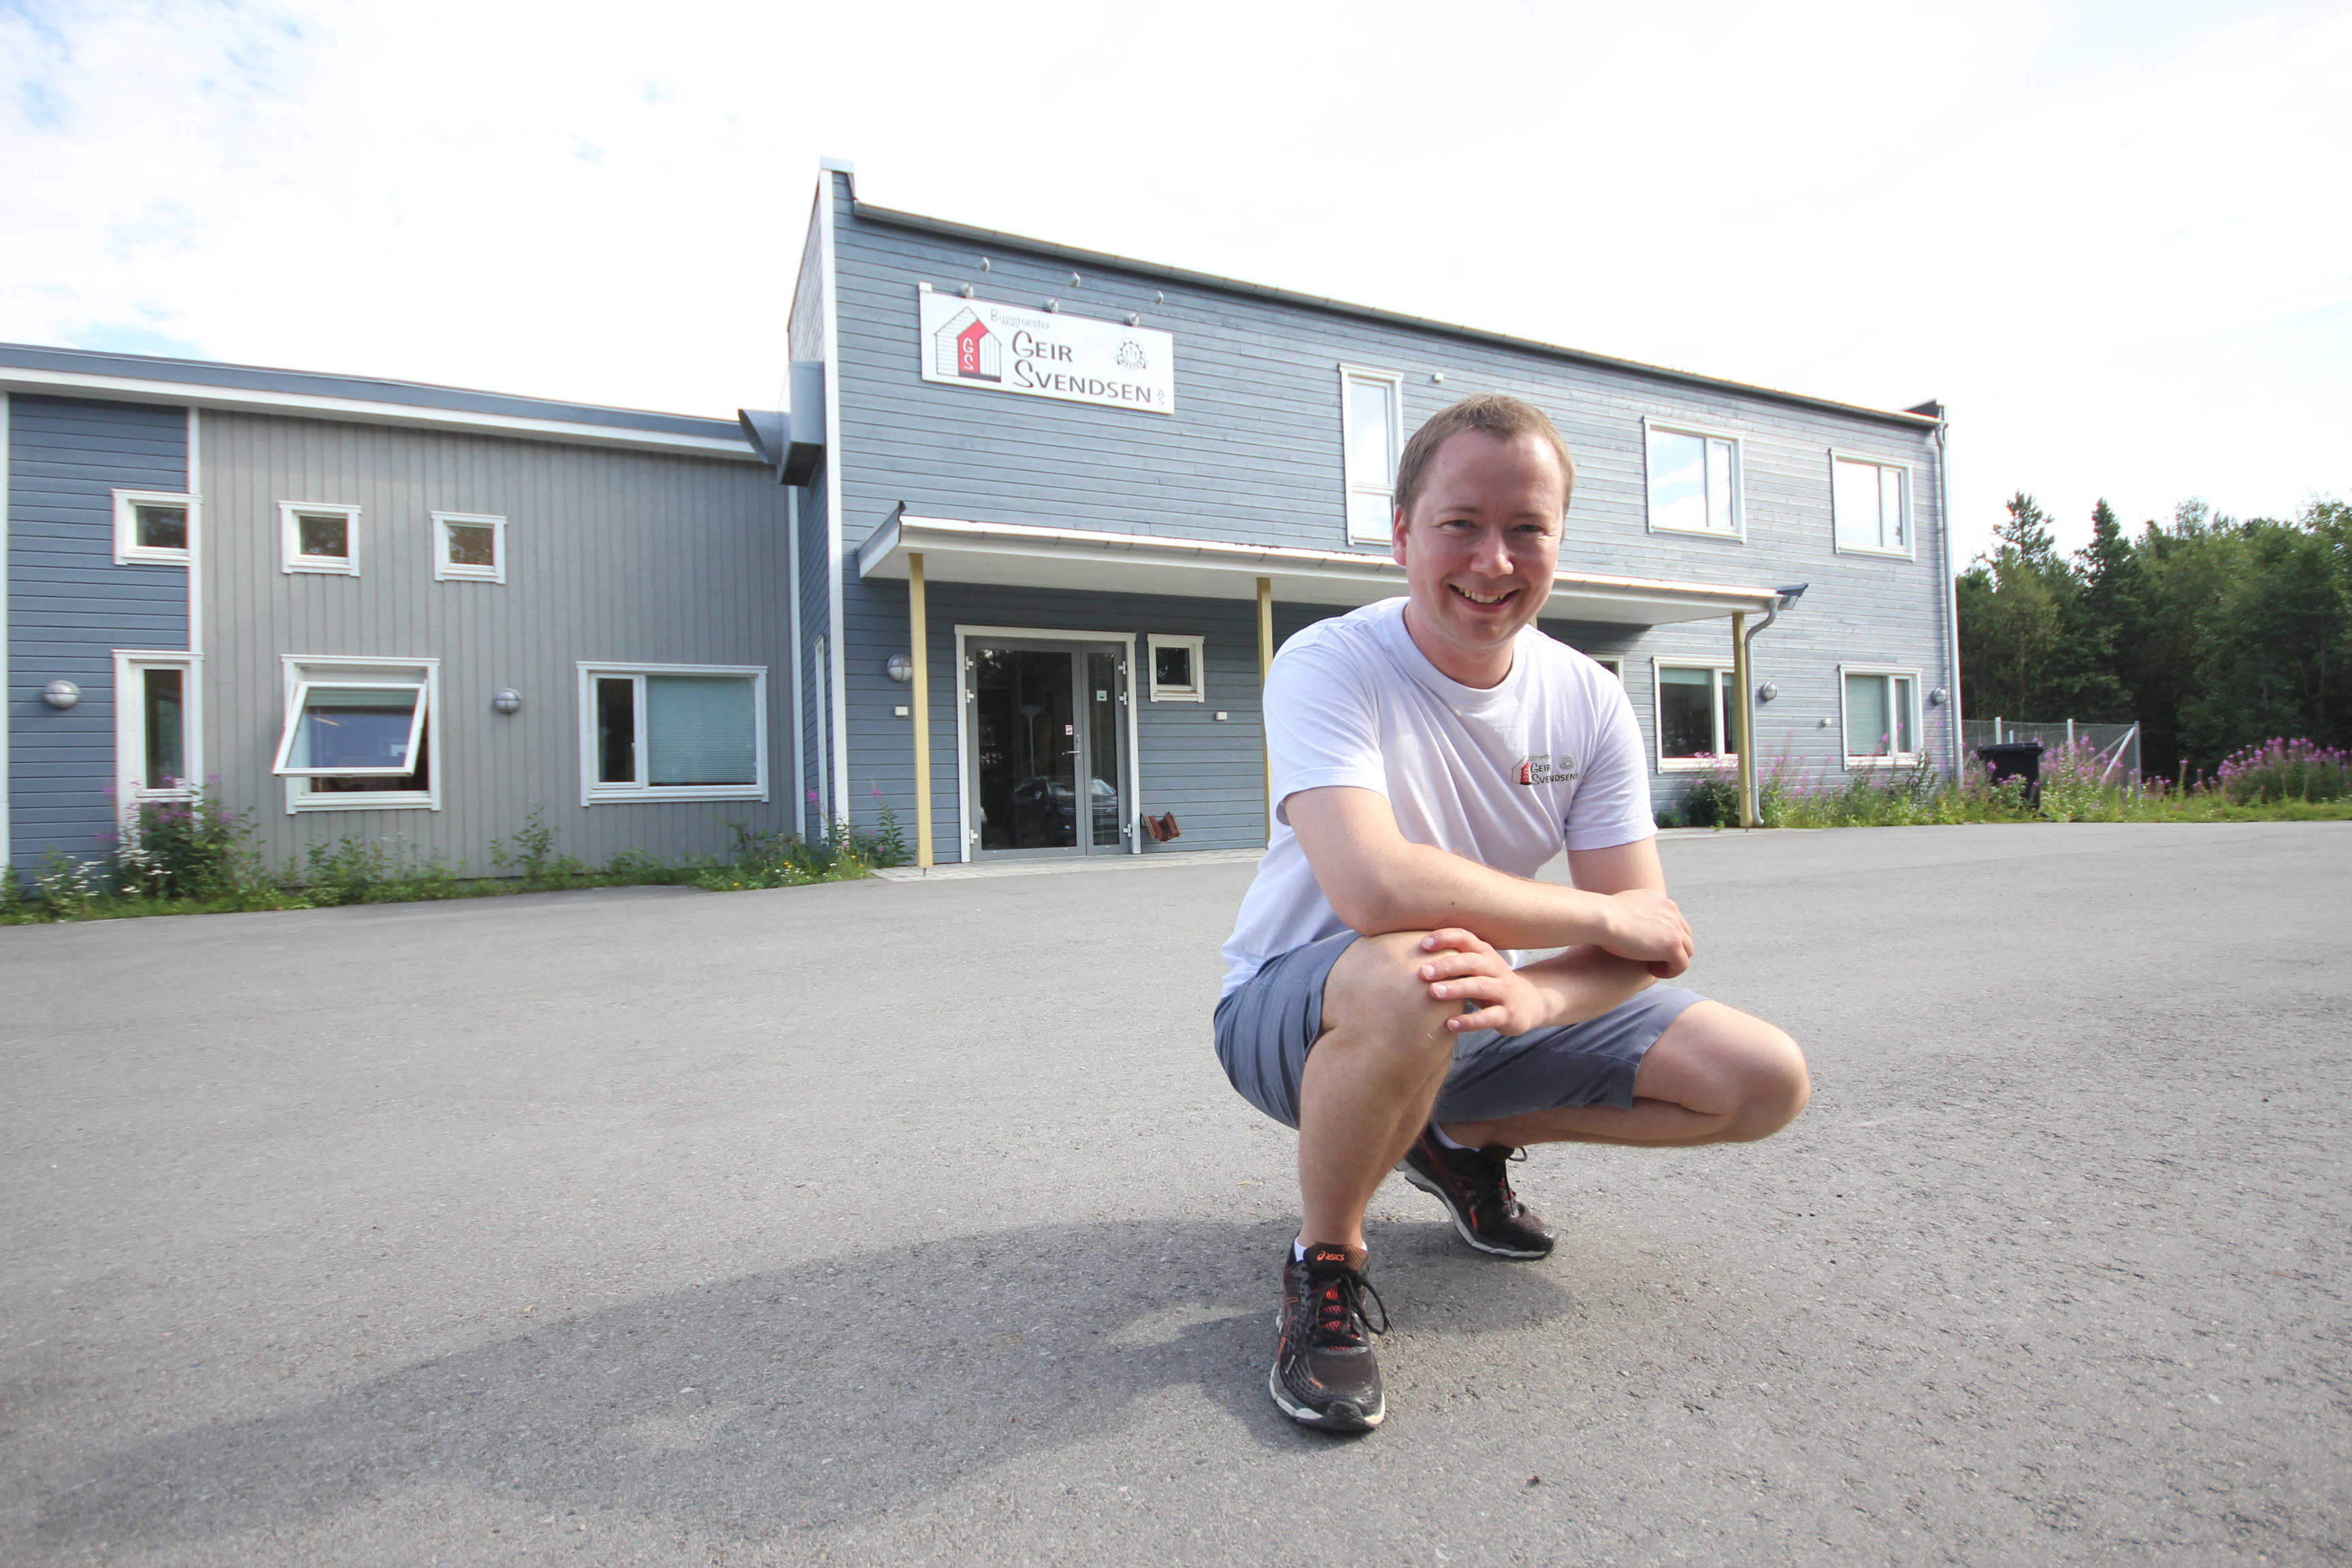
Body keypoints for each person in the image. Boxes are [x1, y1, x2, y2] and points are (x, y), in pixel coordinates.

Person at [1214, 393, 1810, 1433]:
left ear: (1559, 541)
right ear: (1402, 534)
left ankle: (1455, 1134)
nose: (1494, 561)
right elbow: (1373, 888)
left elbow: (1646, 940)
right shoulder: (1327, 664)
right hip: (1293, 1016)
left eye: (1527, 528)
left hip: (1472, 1006)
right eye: (1461, 524)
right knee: (1418, 966)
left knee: (1762, 1080)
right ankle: (1327, 1264)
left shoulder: (1588, 699)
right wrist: (1599, 918)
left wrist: (1538, 1000)